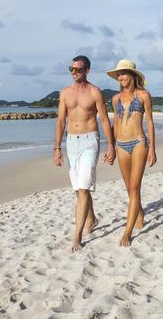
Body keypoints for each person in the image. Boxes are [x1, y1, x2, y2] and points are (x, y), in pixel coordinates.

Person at [53, 55, 116, 251]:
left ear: (87, 70)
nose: (74, 72)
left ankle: (77, 237)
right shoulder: (65, 93)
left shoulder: (95, 92)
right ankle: (92, 218)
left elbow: (105, 120)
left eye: (78, 69)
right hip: (71, 142)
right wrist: (57, 148)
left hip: (90, 140)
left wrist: (111, 146)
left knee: (83, 189)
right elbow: (61, 121)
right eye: (71, 69)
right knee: (78, 190)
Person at [107, 59, 156, 247]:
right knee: (129, 188)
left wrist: (152, 148)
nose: (120, 77)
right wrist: (110, 147)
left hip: (138, 144)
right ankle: (139, 212)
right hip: (121, 145)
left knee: (135, 188)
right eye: (118, 75)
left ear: (133, 75)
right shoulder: (115, 99)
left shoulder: (144, 95)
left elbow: (150, 122)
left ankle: (127, 233)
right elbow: (116, 124)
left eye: (123, 73)